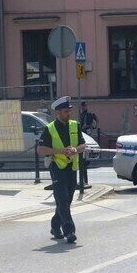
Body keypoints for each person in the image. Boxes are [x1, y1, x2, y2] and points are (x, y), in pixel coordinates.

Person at [37, 96, 86, 244]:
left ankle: (55, 226)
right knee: (62, 199)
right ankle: (69, 231)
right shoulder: (49, 129)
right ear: (58, 113)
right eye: (65, 111)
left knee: (67, 199)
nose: (68, 113)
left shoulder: (75, 125)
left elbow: (83, 145)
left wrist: (75, 150)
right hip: (57, 167)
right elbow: (40, 149)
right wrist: (60, 151)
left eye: (69, 111)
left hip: (72, 167)